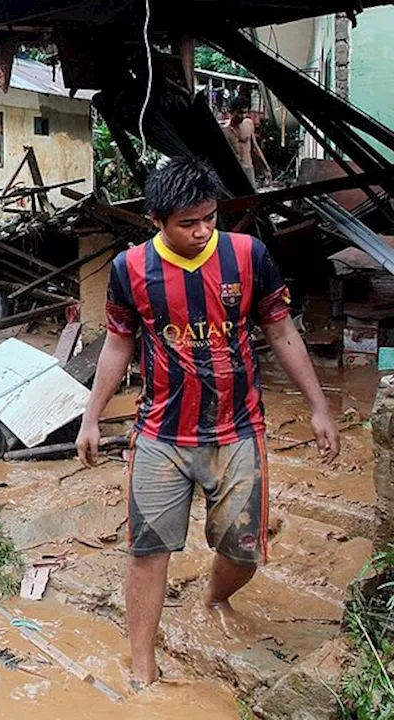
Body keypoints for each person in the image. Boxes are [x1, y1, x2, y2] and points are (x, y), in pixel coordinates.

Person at [75, 157, 340, 689]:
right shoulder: (130, 270)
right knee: (146, 551)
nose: (201, 232)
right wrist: (91, 417)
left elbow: (283, 332)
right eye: (187, 223)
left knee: (243, 550)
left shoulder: (249, 257)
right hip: (160, 436)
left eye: (209, 219)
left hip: (238, 431)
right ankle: (144, 669)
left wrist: (319, 407)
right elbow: (120, 343)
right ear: (156, 219)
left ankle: (216, 595)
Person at [223, 98, 270, 187]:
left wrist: (266, 167)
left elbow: (255, 148)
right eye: (240, 113)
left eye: (245, 112)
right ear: (231, 112)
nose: (243, 116)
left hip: (248, 167)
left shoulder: (248, 124)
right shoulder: (224, 130)